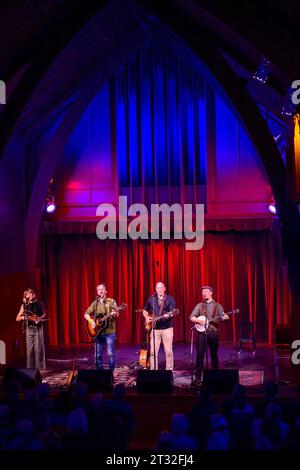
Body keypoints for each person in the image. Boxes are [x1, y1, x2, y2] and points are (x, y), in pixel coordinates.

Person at [190, 286, 229, 385]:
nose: (204, 293)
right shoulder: (199, 305)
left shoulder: (217, 305)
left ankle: (215, 376)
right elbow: (191, 317)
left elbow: (224, 317)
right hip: (201, 333)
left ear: (211, 293)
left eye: (206, 291)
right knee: (199, 355)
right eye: (203, 292)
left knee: (214, 355)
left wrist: (225, 317)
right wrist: (198, 320)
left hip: (213, 333)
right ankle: (198, 377)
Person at [143, 281, 177, 370]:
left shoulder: (170, 299)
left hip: (167, 328)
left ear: (164, 289)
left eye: (161, 287)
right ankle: (154, 371)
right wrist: (147, 317)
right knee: (153, 352)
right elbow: (145, 311)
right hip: (155, 329)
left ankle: (169, 372)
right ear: (155, 289)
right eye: (158, 288)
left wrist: (169, 315)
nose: (160, 289)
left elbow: (173, 313)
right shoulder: (152, 299)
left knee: (168, 352)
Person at [84, 284, 118, 371]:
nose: (101, 291)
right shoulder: (95, 303)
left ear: (106, 291)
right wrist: (92, 322)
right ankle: (100, 373)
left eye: (102, 289)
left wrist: (114, 314)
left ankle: (111, 374)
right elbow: (86, 314)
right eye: (99, 289)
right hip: (98, 333)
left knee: (110, 353)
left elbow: (116, 313)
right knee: (97, 354)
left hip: (109, 332)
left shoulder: (111, 301)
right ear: (97, 292)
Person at [16, 288, 46, 369]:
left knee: (38, 350)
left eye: (30, 293)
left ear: (33, 294)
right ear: (25, 296)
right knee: (29, 351)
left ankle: (39, 370)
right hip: (29, 329)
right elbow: (17, 318)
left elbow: (44, 314)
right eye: (27, 294)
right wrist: (23, 317)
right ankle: (30, 370)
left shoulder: (40, 303)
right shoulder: (24, 305)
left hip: (38, 328)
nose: (29, 295)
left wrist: (39, 318)